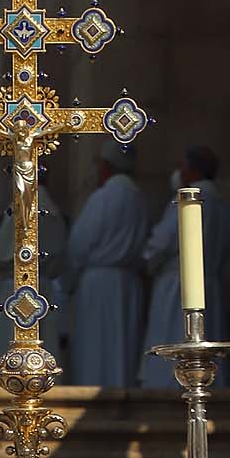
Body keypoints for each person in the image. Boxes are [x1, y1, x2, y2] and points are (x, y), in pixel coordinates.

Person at [141, 153, 230, 386]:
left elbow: (163, 240)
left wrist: (146, 259)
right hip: (210, 282)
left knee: (176, 336)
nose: (178, 172)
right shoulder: (223, 205)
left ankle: (173, 383)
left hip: (179, 283)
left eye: (182, 166)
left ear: (194, 170)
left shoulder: (188, 199)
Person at [66, 152, 149, 387]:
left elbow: (79, 243)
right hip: (128, 282)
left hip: (98, 283)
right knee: (122, 346)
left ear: (106, 168)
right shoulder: (139, 199)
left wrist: (70, 280)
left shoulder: (102, 197)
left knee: (97, 347)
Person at [0, 174, 67, 374]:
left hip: (14, 290)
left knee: (9, 357)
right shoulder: (54, 211)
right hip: (42, 289)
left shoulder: (25, 204)